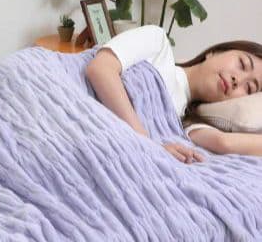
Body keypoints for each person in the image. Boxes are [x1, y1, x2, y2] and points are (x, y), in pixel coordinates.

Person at [86, 25, 262, 163]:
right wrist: (148, 144)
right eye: (242, 64)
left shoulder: (186, 122)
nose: (237, 80)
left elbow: (224, 142)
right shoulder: (158, 44)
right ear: (214, 52)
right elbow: (100, 68)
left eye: (249, 88)